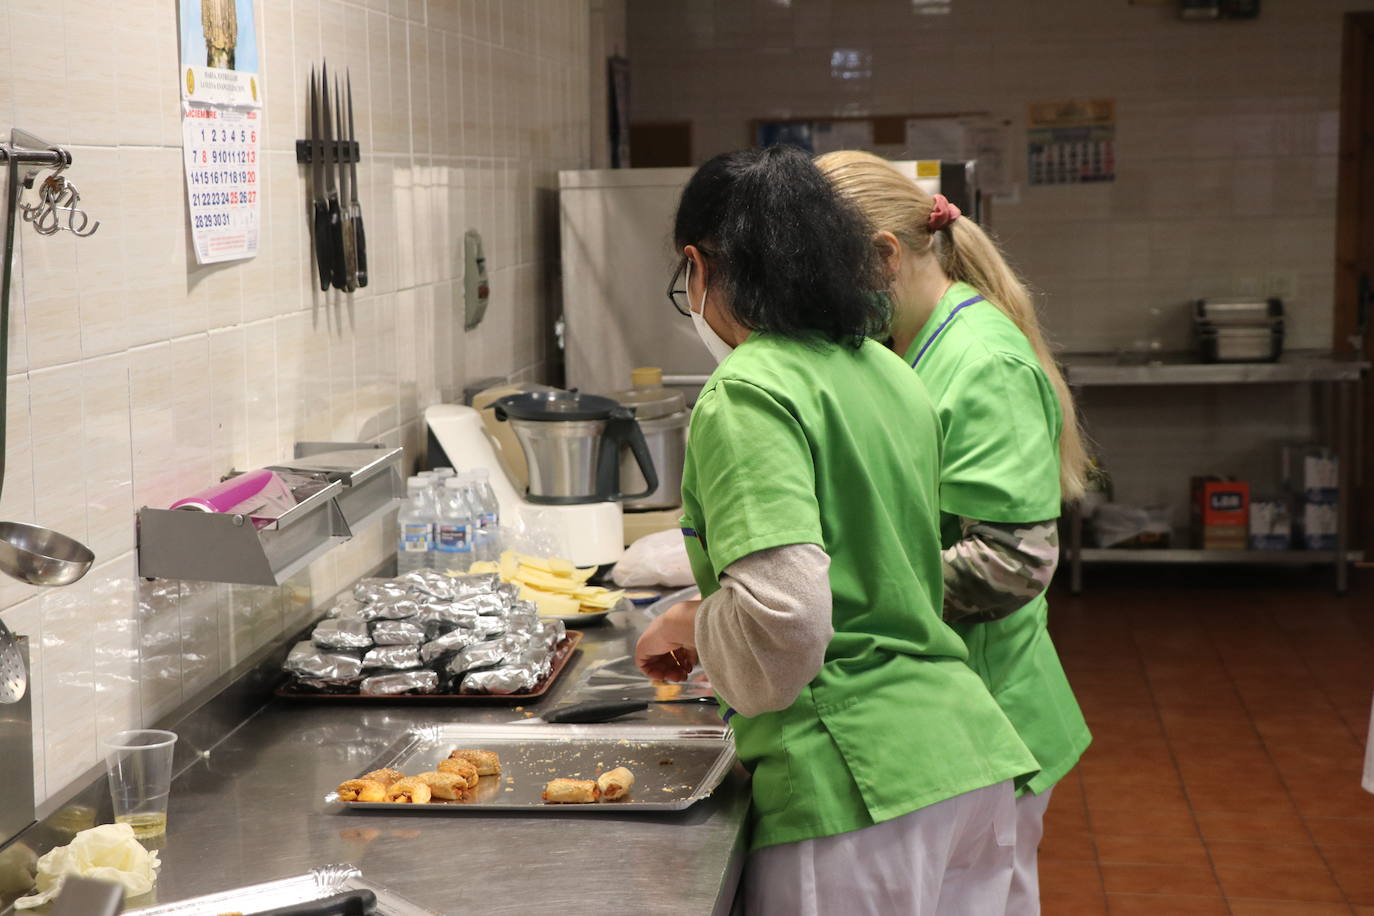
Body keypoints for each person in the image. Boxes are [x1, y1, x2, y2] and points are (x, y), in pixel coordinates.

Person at [634, 145, 1039, 915]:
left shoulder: (750, 390)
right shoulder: (884, 369)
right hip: (963, 759)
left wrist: (696, 620)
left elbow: (785, 620)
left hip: (857, 782)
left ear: (699, 267)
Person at [817, 149, 1093, 915]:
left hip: (993, 706)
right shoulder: (912, 343)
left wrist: (836, 596)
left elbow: (1012, 562)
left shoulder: (982, 360)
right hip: (947, 709)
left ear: (883, 256)